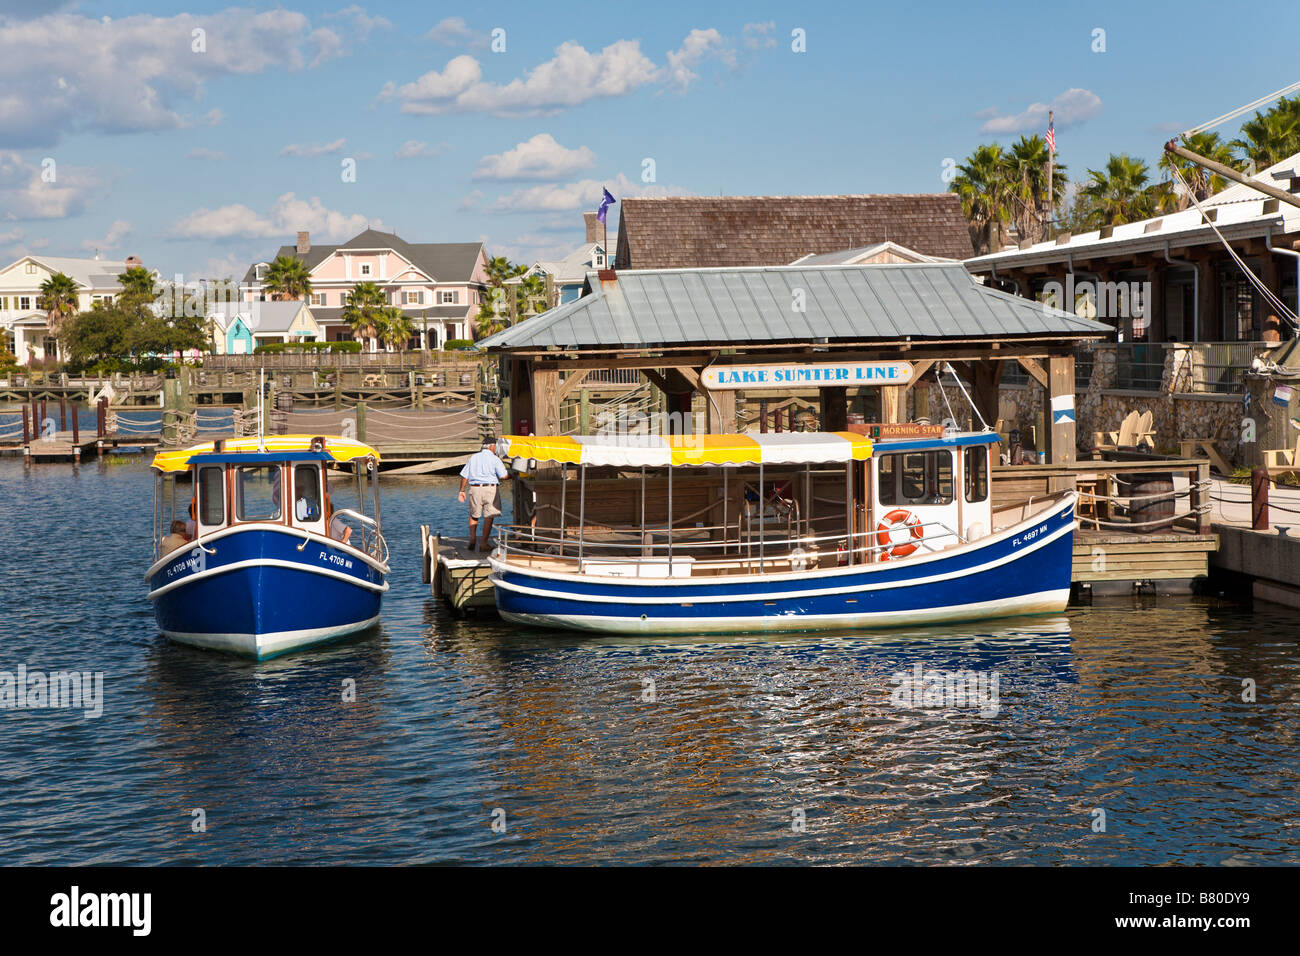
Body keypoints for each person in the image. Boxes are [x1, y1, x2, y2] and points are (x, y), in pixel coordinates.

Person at [458, 435, 508, 552]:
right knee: (489, 516)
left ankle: (473, 538)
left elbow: (464, 476)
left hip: (475, 488)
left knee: (474, 515)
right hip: (490, 489)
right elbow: (503, 475)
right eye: (495, 446)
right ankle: (484, 544)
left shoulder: (473, 458)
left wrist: (461, 490)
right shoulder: (495, 459)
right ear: (492, 446)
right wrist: (511, 474)